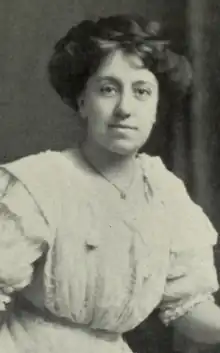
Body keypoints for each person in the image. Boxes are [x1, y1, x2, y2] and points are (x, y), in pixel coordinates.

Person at [0, 14, 220, 353]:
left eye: (142, 91)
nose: (125, 109)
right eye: (108, 89)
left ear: (157, 106)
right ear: (82, 101)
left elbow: (188, 307)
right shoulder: (41, 183)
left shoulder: (165, 195)